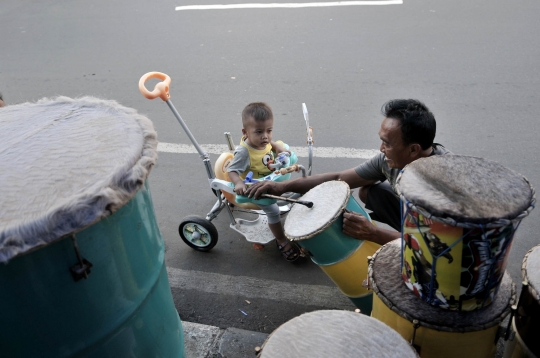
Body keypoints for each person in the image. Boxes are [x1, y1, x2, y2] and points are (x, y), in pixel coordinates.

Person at [246, 99, 451, 246]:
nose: (381, 149)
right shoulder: (390, 160)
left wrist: (374, 233)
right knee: (368, 191)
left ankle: (398, 239)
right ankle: (400, 233)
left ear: (414, 149)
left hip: (441, 239)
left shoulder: (439, 188)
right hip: (417, 219)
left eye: (387, 143)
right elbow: (339, 178)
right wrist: (282, 186)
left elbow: (433, 244)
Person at [228, 102, 300, 262]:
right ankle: (281, 240)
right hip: (257, 188)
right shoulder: (244, 153)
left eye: (269, 131)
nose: (265, 136)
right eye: (259, 132)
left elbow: (270, 145)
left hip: (273, 178)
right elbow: (231, 170)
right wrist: (238, 183)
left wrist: (278, 148)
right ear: (245, 132)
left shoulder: (264, 142)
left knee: (296, 188)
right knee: (273, 211)